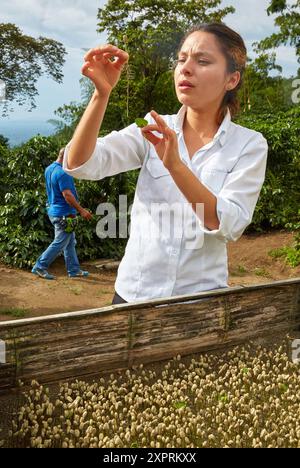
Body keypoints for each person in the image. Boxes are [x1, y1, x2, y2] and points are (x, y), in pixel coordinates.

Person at [62, 22, 268, 304]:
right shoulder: (152, 126)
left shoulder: (249, 144)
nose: (185, 68)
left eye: (203, 61)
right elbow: (81, 163)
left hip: (200, 301)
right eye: (181, 59)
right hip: (134, 296)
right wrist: (101, 94)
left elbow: (226, 224)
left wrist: (176, 166)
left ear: (231, 80)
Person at [32, 148, 92, 279]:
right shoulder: (64, 173)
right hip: (63, 214)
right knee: (59, 242)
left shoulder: (49, 169)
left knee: (69, 242)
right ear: (66, 158)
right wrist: (82, 210)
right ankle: (39, 267)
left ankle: (74, 270)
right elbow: (67, 195)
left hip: (55, 211)